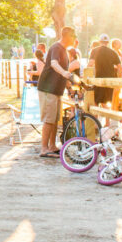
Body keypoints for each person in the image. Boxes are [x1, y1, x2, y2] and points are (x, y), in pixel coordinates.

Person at [37, 26, 80, 157]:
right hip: (47, 89)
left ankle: (52, 146)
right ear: (67, 36)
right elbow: (54, 64)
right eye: (73, 37)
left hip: (57, 90)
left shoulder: (65, 51)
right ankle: (44, 148)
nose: (75, 40)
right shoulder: (56, 47)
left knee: (55, 119)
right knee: (49, 119)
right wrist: (66, 73)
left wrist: (69, 87)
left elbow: (62, 74)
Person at [88, 34, 121, 106]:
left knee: (96, 102)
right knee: (105, 103)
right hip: (110, 80)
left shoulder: (95, 50)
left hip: (98, 80)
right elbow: (119, 67)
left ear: (100, 42)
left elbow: (90, 64)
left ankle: (95, 117)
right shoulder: (113, 52)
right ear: (108, 42)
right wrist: (118, 79)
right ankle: (107, 117)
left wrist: (88, 77)